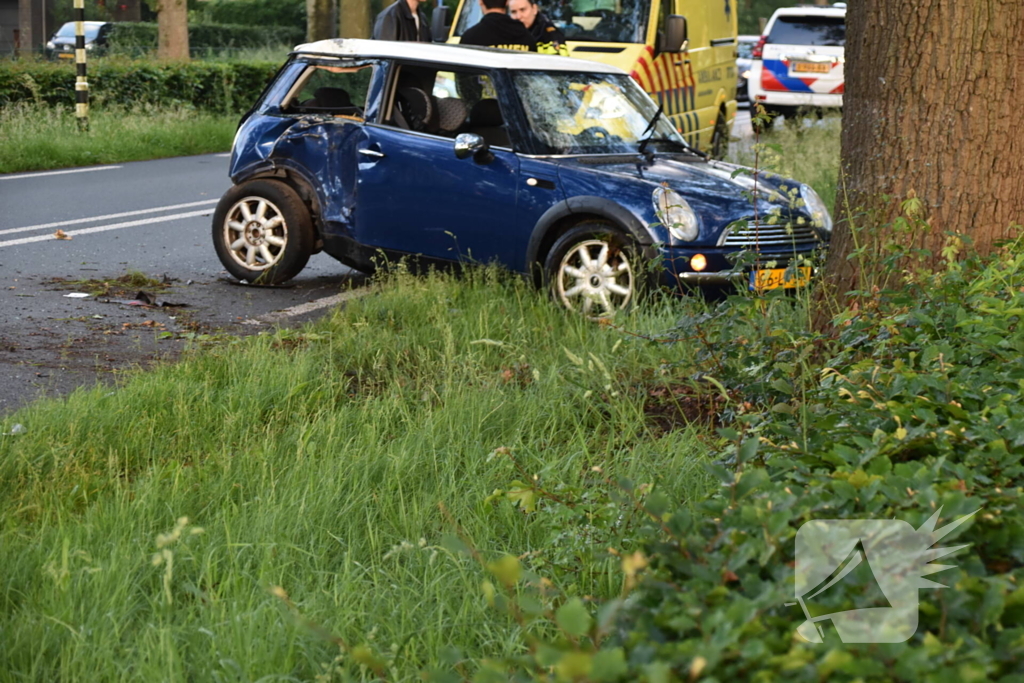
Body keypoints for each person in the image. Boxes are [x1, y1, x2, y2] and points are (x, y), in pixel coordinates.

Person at [460, 0, 537, 51]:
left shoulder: (470, 38)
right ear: (507, 2)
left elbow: (462, 74)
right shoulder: (526, 37)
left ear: (480, 2)